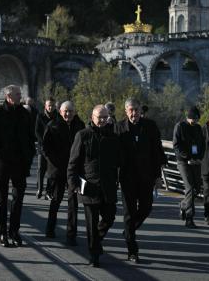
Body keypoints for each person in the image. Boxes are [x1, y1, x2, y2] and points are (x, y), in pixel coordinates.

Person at [67, 105, 120, 268]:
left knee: (110, 217)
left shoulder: (112, 136)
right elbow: (73, 162)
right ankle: (94, 254)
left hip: (109, 185)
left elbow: (119, 159)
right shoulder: (82, 135)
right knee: (91, 223)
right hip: (89, 186)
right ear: (92, 117)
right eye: (100, 117)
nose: (103, 120)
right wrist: (73, 183)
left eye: (105, 117)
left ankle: (97, 238)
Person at [0, 85, 35, 247]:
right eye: (18, 94)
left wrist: (29, 155)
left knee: (18, 200)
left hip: (20, 163)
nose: (21, 97)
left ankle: (14, 231)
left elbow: (30, 137)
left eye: (20, 94)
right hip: (2, 163)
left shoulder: (24, 114)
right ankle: (2, 234)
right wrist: (0, 154)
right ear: (8, 96)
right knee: (1, 201)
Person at [117, 98, 166, 264]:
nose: (133, 113)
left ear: (140, 110)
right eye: (130, 110)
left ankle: (128, 231)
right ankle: (132, 250)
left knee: (146, 208)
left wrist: (158, 176)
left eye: (136, 110)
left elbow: (157, 152)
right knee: (129, 214)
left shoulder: (150, 126)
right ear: (126, 111)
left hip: (146, 177)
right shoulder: (119, 128)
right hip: (127, 178)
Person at [42, 101, 85, 243]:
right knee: (56, 200)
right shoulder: (52, 125)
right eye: (65, 111)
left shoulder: (80, 126)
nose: (68, 114)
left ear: (75, 112)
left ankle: (71, 235)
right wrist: (55, 162)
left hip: (74, 170)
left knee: (73, 203)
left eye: (71, 111)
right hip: (58, 169)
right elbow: (45, 148)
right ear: (60, 111)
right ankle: (50, 228)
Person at [173, 106, 205, 228]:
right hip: (184, 162)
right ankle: (189, 218)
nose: (195, 122)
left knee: (196, 188)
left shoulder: (197, 128)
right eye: (193, 119)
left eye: (197, 119)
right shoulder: (180, 126)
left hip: (196, 162)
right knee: (190, 188)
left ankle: (183, 205)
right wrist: (187, 158)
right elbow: (176, 146)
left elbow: (202, 145)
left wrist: (199, 158)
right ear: (188, 117)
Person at [35, 97, 58, 199]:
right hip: (42, 147)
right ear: (45, 106)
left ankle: (49, 191)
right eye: (49, 105)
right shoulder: (40, 116)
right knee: (41, 169)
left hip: (53, 148)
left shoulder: (57, 116)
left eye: (52, 105)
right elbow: (37, 131)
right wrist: (43, 142)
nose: (50, 107)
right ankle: (40, 188)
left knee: (51, 170)